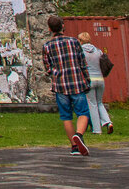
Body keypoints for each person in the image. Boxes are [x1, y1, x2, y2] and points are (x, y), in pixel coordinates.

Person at [41, 15, 91, 156]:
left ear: (49, 29)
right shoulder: (74, 42)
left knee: (66, 116)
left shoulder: (47, 46)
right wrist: (87, 80)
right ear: (63, 26)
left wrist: (56, 74)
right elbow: (82, 63)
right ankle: (79, 135)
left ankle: (74, 146)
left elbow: (48, 67)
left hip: (60, 85)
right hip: (76, 82)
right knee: (82, 113)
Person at [78, 32, 114, 134]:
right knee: (99, 102)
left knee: (92, 104)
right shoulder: (98, 51)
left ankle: (97, 129)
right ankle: (108, 122)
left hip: (90, 80)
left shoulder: (81, 52)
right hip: (100, 79)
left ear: (81, 41)